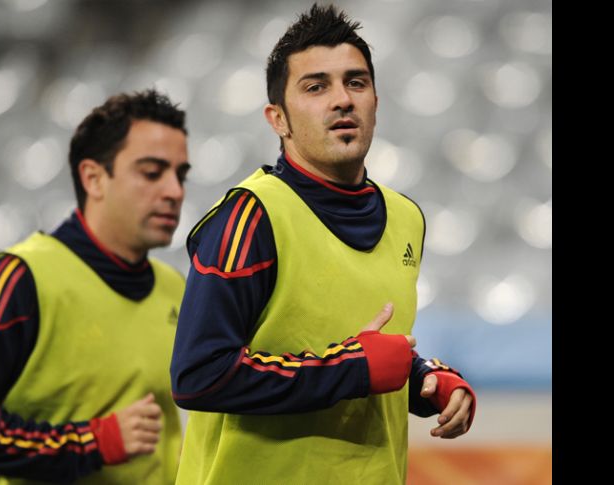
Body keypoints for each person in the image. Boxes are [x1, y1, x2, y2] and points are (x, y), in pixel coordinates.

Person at [170, 5, 476, 484]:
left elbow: (361, 346)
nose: (342, 100)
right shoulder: (250, 218)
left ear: (377, 101)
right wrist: (352, 370)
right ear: (278, 119)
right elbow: (198, 375)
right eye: (316, 87)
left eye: (356, 83)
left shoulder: (406, 218)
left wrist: (425, 379)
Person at [0, 90, 191, 484]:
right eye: (152, 172)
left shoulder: (176, 287)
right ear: (93, 178)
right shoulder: (18, 278)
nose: (174, 191)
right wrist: (92, 442)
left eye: (180, 174)